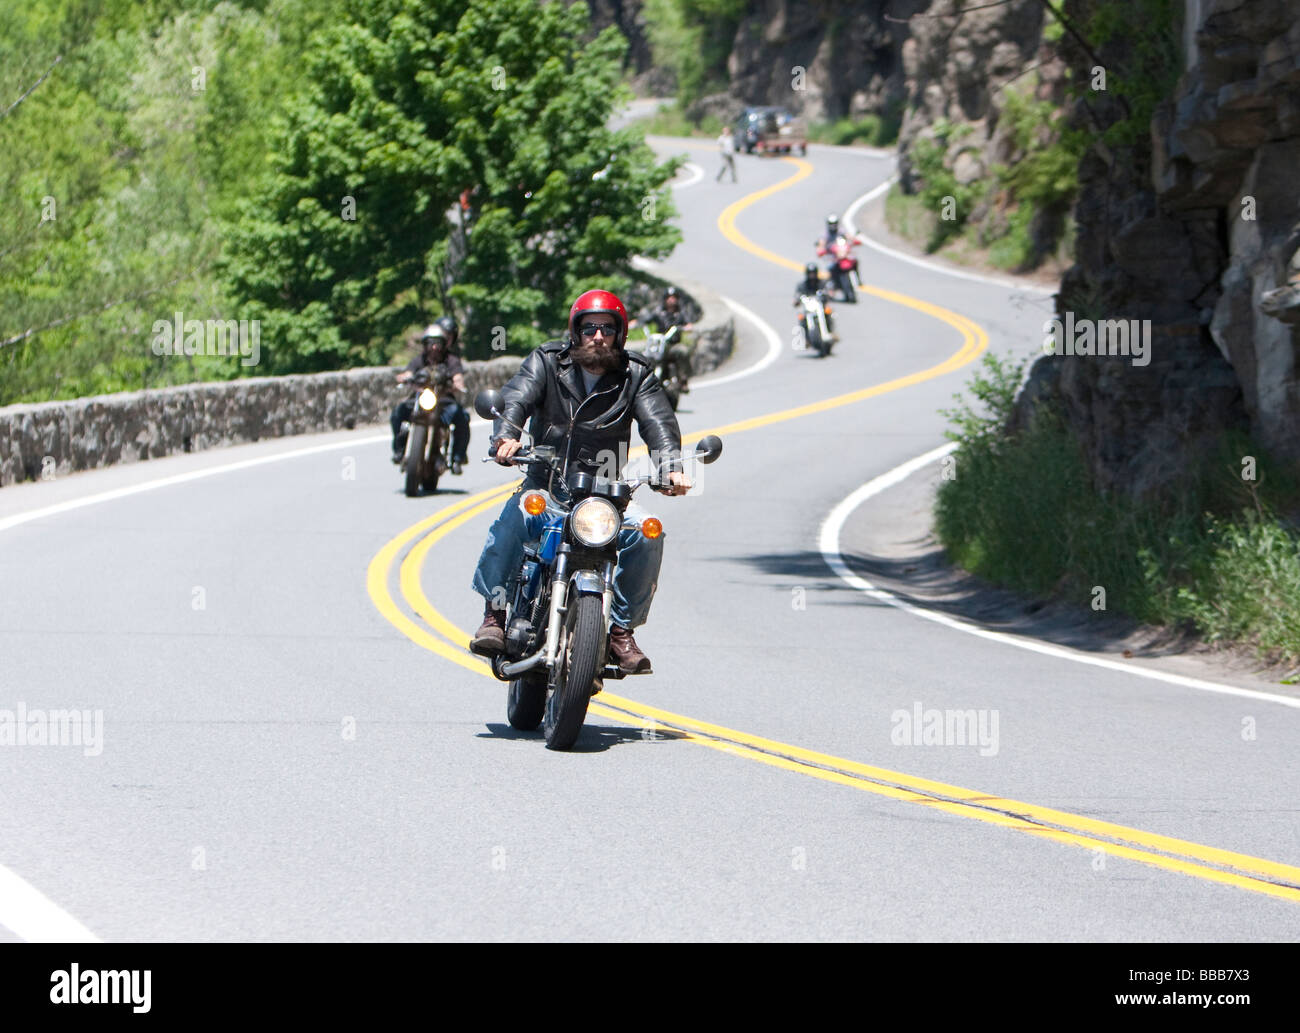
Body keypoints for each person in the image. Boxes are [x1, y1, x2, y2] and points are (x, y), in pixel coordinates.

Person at [469, 289, 690, 674]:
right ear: (576, 331)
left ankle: (621, 631)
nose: (598, 336)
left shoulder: (636, 375)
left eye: (607, 328)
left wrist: (670, 467)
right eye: (589, 328)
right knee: (516, 516)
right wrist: (506, 437)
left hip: (604, 498)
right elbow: (516, 398)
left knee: (648, 532)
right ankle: (496, 615)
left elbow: (659, 424)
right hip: (549, 487)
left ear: (620, 334)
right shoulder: (547, 362)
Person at [390, 317, 470, 473]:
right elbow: (408, 372)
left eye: (438, 343)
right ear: (425, 344)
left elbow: (458, 376)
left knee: (462, 416)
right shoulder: (419, 360)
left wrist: (457, 384)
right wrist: (404, 377)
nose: (434, 347)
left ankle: (457, 458)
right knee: (397, 413)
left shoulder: (452, 360)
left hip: (444, 400)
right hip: (420, 398)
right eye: (430, 343)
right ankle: (399, 450)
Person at [794, 262, 835, 343]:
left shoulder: (822, 283)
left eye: (813, 273)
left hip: (820, 305)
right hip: (809, 307)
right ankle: (806, 339)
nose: (812, 275)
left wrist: (829, 294)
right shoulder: (802, 285)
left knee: (828, 312)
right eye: (810, 273)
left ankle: (830, 332)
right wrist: (796, 301)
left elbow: (829, 290)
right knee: (801, 317)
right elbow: (797, 295)